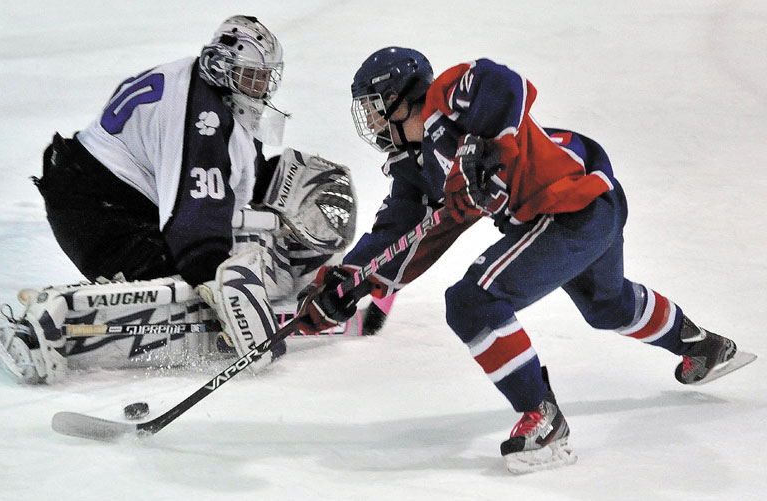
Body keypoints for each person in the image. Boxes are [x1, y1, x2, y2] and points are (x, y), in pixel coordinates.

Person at [295, 47, 755, 473]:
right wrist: (346, 284)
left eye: (376, 106)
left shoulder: (443, 101)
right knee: (606, 306)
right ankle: (703, 347)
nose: (373, 121)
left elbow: (501, 81)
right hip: (586, 207)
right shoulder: (416, 169)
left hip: (573, 204)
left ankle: (542, 419)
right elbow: (399, 236)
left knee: (473, 302)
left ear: (400, 98)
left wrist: (485, 145)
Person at [0, 16, 380, 384]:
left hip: (103, 193)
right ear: (224, 67)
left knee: (219, 259)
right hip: (96, 210)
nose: (261, 88)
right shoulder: (202, 115)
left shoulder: (208, 92)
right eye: (252, 77)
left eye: (264, 78)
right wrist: (224, 287)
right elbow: (194, 227)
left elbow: (234, 181)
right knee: (188, 281)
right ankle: (48, 326)